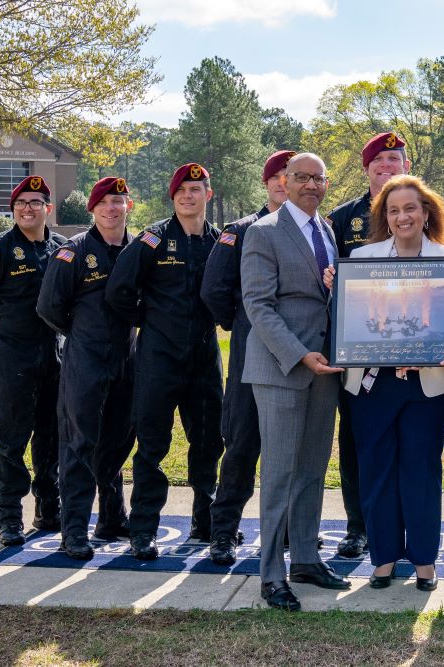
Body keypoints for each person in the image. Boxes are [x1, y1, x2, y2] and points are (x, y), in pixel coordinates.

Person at [323, 175, 444, 591]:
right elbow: (349, 323)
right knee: (376, 469)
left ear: (427, 212)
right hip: (371, 386)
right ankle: (382, 558)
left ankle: (424, 562)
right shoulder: (361, 258)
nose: (403, 216)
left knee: (420, 470)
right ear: (384, 216)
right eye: (394, 210)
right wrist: (337, 290)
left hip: (427, 386)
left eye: (411, 208)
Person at [242, 153, 349, 612]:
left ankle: (305, 557)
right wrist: (299, 354)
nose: (310, 185)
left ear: (326, 185)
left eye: (317, 179)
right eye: (301, 177)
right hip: (283, 369)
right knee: (281, 474)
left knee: (311, 471)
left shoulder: (326, 230)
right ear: (284, 182)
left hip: (325, 370)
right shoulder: (263, 232)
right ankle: (271, 574)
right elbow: (258, 305)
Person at [105, 163, 224, 560]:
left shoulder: (219, 241)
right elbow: (119, 291)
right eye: (181, 191)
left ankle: (205, 521)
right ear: (172, 198)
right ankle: (143, 529)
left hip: (204, 356)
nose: (188, 196)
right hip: (159, 357)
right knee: (153, 445)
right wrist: (150, 321)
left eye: (196, 189)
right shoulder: (153, 239)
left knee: (208, 443)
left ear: (209, 194)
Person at [200, 150, 296, 565]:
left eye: (289, 176)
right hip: (251, 351)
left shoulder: (315, 230)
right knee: (241, 443)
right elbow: (213, 290)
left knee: (291, 447)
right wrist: (240, 324)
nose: (282, 183)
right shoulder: (239, 230)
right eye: (275, 176)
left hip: (296, 352)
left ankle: (290, 531)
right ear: (267, 183)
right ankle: (224, 531)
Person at [37, 176, 137, 560]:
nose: (112, 208)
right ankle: (74, 529)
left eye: (119, 201)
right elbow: (48, 307)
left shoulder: (137, 249)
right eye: (104, 202)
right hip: (86, 360)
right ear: (92, 209)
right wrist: (79, 336)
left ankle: (112, 517)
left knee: (117, 441)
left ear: (128, 206)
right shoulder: (74, 251)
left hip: (126, 359)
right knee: (79, 444)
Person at [0, 175, 65, 545]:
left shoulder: (63, 248)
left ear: (47, 209)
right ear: (13, 210)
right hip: (11, 358)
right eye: (21, 203)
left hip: (53, 356)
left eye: (36, 202)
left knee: (51, 437)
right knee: (11, 439)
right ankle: (9, 517)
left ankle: (49, 508)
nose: (28, 208)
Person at [326, 131, 411, 558]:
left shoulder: (423, 210)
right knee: (357, 440)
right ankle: (358, 526)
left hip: (413, 346)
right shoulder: (342, 218)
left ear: (405, 166)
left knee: (409, 438)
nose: (386, 166)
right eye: (378, 162)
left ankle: (408, 523)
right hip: (359, 349)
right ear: (367, 169)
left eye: (394, 159)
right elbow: (323, 275)